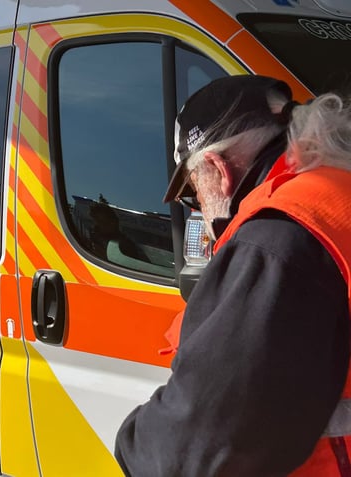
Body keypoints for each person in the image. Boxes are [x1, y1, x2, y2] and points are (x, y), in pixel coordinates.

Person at [114, 75, 351, 476]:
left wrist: (131, 443)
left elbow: (191, 450)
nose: (198, 210)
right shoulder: (335, 196)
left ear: (218, 169)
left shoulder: (278, 237)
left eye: (193, 193)